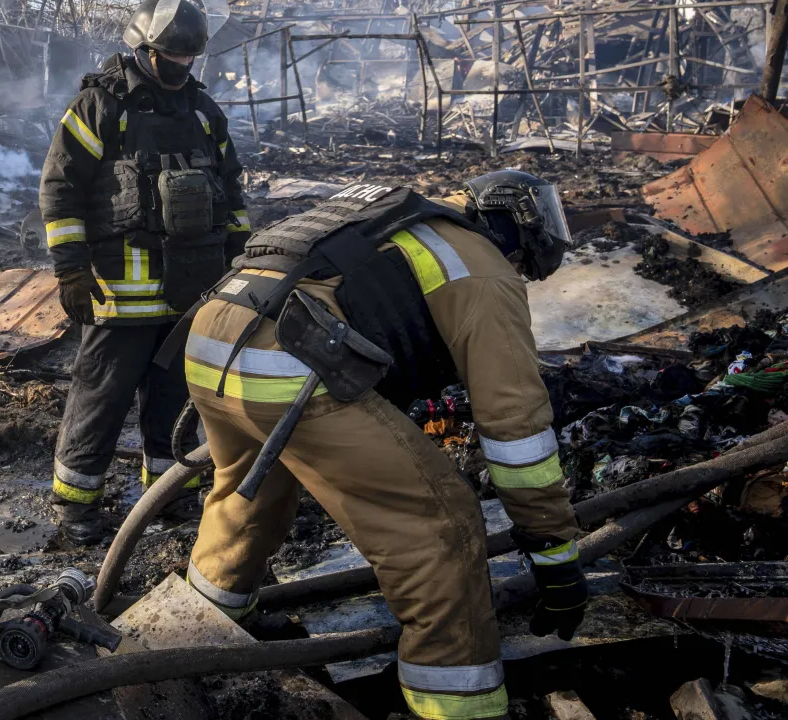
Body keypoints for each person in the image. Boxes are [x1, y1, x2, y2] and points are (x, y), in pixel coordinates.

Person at [180, 171, 586, 720]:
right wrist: (555, 552)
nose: (519, 271)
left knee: (249, 495)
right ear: (516, 225)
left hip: (211, 339)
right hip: (291, 361)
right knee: (438, 526)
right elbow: (517, 430)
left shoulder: (406, 221)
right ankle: (457, 705)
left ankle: (203, 631)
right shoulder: (483, 268)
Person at [39, 0, 251, 543]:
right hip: (119, 292)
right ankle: (77, 506)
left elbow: (231, 193)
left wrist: (238, 264)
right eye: (171, 57)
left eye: (189, 58)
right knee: (101, 398)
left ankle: (169, 497)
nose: (181, 67)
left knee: (178, 404)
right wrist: (71, 269)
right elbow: (60, 190)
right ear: (143, 49)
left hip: (191, 291)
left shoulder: (204, 112)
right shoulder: (101, 105)